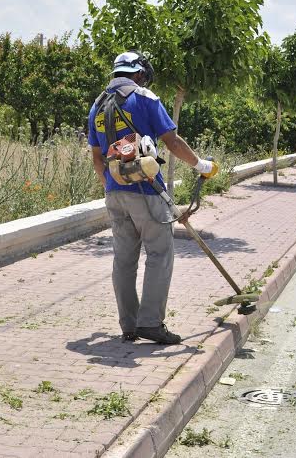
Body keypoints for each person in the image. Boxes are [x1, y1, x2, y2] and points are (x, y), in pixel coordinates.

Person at [88, 51, 217, 345]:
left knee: (124, 260)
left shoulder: (97, 105)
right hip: (146, 191)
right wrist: (201, 165)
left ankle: (129, 326)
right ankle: (151, 323)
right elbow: (171, 141)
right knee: (159, 254)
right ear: (138, 74)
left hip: (114, 193)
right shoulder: (145, 97)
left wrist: (111, 186)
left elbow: (97, 157)